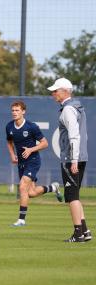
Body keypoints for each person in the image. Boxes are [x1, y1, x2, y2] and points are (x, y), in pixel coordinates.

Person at [5, 100, 62, 227]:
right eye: (13, 110)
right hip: (21, 162)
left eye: (17, 110)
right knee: (30, 193)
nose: (14, 113)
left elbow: (45, 143)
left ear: (23, 112)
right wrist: (12, 154)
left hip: (33, 161)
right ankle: (53, 188)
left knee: (22, 186)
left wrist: (31, 149)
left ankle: (21, 220)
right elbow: (9, 142)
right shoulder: (9, 126)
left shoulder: (31, 127)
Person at [48, 78, 91, 242]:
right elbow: (82, 136)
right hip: (81, 156)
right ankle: (85, 231)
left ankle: (78, 233)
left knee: (71, 196)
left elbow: (74, 136)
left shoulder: (68, 110)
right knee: (76, 196)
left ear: (65, 91)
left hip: (71, 158)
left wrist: (73, 160)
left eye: (55, 91)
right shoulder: (78, 107)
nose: (53, 94)